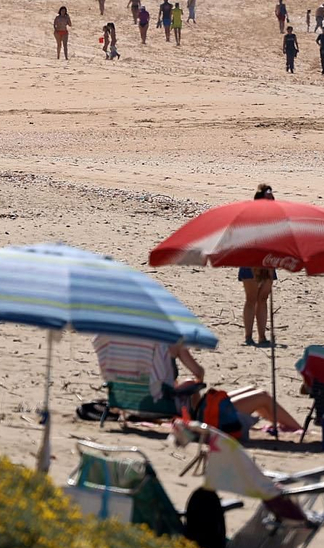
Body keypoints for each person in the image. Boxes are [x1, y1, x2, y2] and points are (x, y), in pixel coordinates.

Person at [92, 334, 301, 435]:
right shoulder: (167, 342)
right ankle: (298, 430)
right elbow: (200, 374)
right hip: (191, 415)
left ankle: (285, 426)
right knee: (262, 396)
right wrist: (181, 354)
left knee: (257, 395)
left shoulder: (120, 346)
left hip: (142, 407)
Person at [238, 184, 278, 346]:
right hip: (250, 260)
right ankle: (248, 336)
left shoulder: (275, 219)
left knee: (263, 298)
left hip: (267, 262)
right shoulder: (250, 218)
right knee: (251, 299)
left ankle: (262, 336)